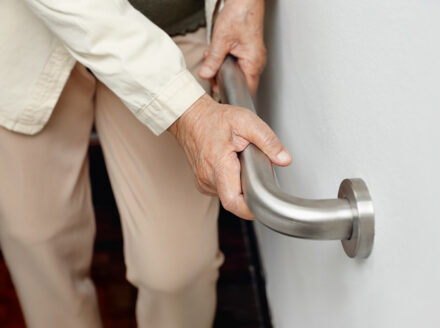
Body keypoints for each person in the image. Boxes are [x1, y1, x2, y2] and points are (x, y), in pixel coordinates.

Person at [0, 0, 292, 327]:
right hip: (30, 30)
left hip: (175, 26)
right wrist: (190, 114)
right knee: (38, 243)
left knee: (176, 270)